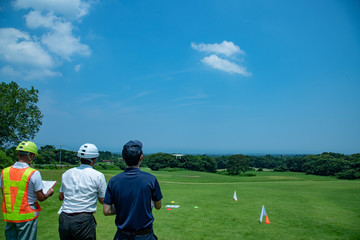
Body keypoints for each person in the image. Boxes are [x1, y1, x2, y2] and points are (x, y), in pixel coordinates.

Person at [103, 140, 163, 240]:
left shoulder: (114, 181)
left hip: (122, 235)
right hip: (145, 235)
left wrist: (124, 208)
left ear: (123, 158)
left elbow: (106, 211)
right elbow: (158, 206)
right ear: (141, 157)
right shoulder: (151, 179)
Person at [0, 141, 54, 240]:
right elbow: (41, 197)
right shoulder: (33, 173)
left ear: (17, 154)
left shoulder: (4, 172)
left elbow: (5, 193)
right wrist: (49, 193)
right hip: (26, 215)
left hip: (10, 216)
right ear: (31, 155)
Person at [58, 143, 107, 240]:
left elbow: (61, 196)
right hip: (83, 220)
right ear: (94, 159)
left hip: (64, 217)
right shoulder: (98, 175)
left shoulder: (67, 173)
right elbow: (103, 200)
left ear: (79, 158)